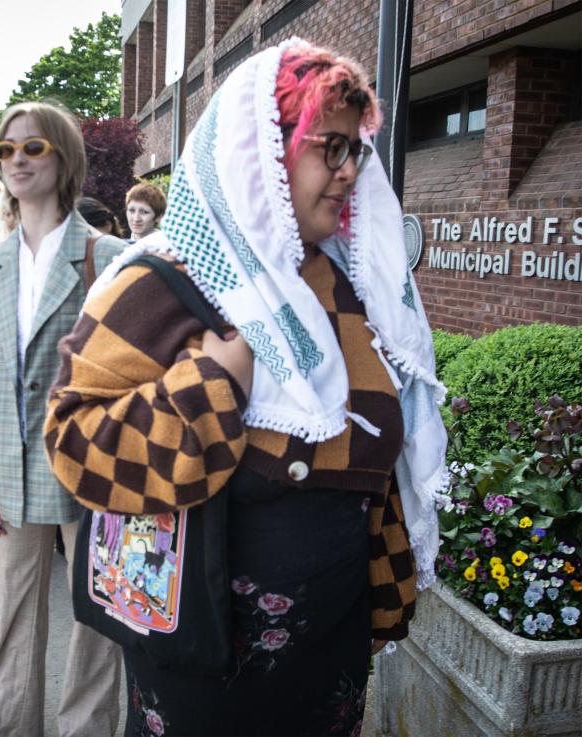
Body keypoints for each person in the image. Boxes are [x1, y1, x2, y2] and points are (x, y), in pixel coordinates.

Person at [44, 40, 448, 736]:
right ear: (264, 151)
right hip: (206, 664)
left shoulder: (354, 287)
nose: (350, 172)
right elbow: (75, 442)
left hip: (330, 658)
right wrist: (213, 381)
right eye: (332, 147)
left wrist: (385, 596)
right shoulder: (162, 281)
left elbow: (372, 461)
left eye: (357, 151)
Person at [0, 101, 124, 737]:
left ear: (64, 156)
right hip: (14, 464)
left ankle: (87, 729)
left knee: (98, 614)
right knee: (14, 607)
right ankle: (4, 724)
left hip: (94, 466)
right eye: (7, 151)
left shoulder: (107, 256)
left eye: (33, 148)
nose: (17, 160)